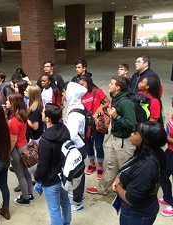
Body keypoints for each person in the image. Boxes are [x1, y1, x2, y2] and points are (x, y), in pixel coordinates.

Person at [86, 76, 137, 195]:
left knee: (126, 170)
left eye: (111, 83)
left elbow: (132, 124)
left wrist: (116, 117)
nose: (109, 85)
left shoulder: (126, 103)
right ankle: (101, 188)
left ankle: (129, 194)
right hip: (116, 139)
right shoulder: (117, 98)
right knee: (111, 167)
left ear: (118, 87)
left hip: (124, 143)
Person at [112, 122, 167, 225]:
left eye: (136, 133)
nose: (132, 134)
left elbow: (131, 199)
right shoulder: (148, 152)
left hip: (136, 214)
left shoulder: (146, 167)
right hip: (144, 206)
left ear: (146, 140)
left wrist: (117, 186)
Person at [34, 103, 71, 225]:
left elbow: (42, 165)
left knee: (54, 210)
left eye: (43, 112)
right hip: (64, 175)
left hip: (51, 180)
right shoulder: (64, 130)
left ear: (48, 118)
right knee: (65, 202)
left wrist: (37, 177)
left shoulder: (45, 140)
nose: (41, 113)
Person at [79, 76, 110, 179]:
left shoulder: (97, 91)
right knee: (88, 144)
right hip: (87, 123)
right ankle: (92, 163)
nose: (81, 87)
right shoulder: (80, 95)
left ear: (88, 83)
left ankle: (100, 166)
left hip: (97, 122)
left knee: (98, 146)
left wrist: (100, 107)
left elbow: (108, 102)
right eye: (79, 85)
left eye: (82, 85)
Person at [63, 81, 87, 213]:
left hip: (77, 148)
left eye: (64, 91)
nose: (63, 94)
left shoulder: (74, 115)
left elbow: (72, 135)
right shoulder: (78, 106)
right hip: (81, 146)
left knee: (76, 174)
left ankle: (77, 202)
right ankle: (78, 195)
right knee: (78, 172)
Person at [6, 92, 34, 206]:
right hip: (24, 146)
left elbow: (13, 140)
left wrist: (8, 152)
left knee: (20, 175)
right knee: (26, 172)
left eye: (8, 101)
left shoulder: (13, 121)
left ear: (13, 104)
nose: (6, 102)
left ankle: (25, 198)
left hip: (17, 149)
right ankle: (30, 194)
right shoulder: (22, 116)